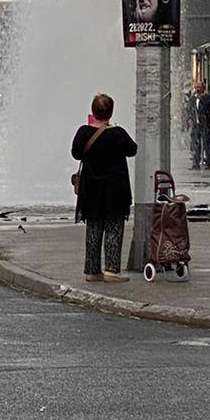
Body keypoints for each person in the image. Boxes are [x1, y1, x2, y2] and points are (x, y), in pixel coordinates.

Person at [71, 93, 137, 283]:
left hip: (91, 189)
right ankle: (111, 270)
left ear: (93, 111)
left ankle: (92, 270)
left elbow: (76, 153)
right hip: (115, 190)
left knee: (93, 227)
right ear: (110, 112)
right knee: (114, 228)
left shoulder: (83, 132)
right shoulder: (118, 133)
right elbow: (132, 150)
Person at [187, 80, 210, 170]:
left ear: (203, 88)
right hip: (196, 124)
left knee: (206, 144)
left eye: (200, 87)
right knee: (195, 144)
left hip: (205, 124)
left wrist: (202, 98)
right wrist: (190, 119)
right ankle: (196, 163)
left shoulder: (207, 98)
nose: (198, 89)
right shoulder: (192, 98)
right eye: (197, 87)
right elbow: (188, 109)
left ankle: (208, 163)